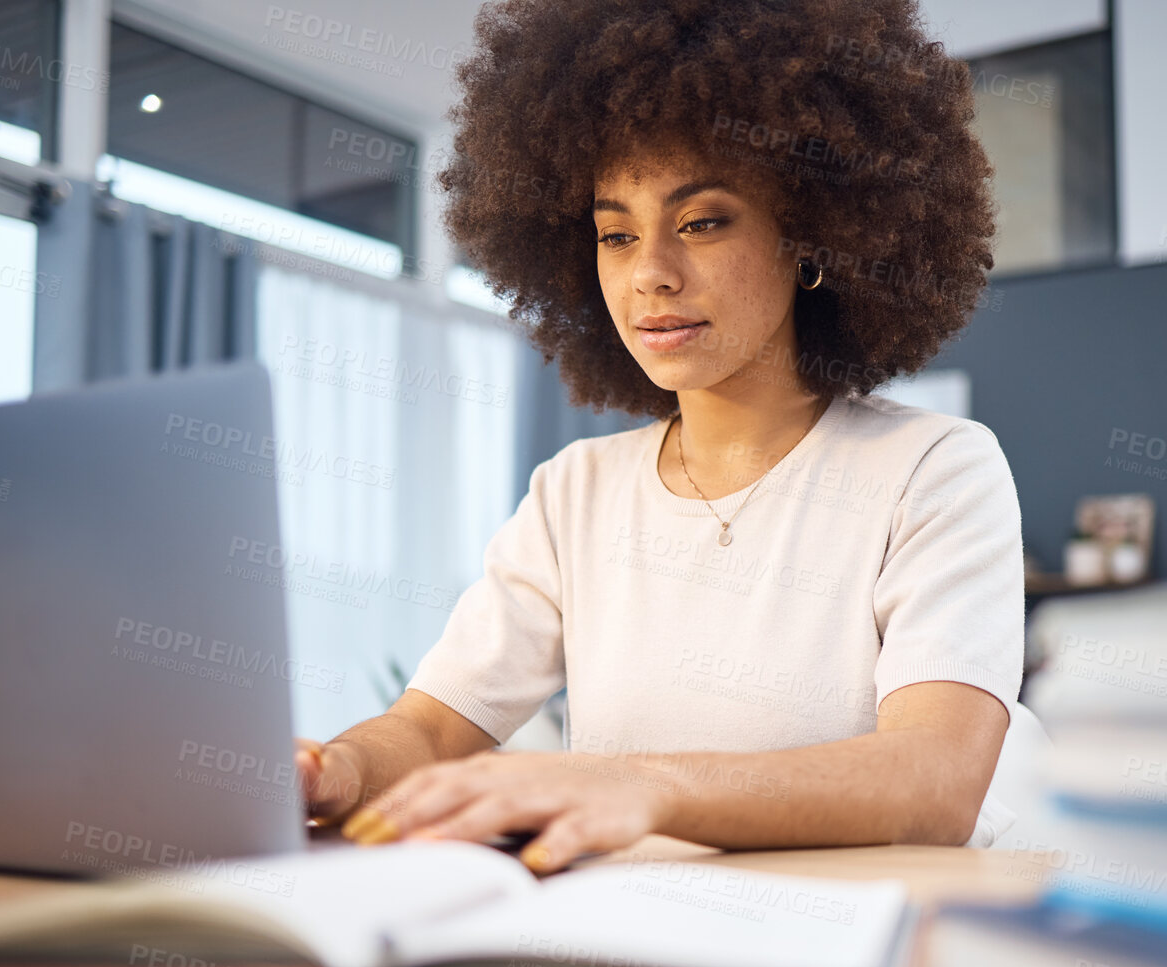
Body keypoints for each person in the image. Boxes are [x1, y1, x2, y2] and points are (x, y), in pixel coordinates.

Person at [295, 0, 1031, 872]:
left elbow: (933, 782)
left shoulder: (934, 469)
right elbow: (427, 725)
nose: (648, 272)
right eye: (614, 234)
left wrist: (642, 786)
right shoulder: (575, 493)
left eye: (702, 221)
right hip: (627, 944)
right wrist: (336, 771)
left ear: (811, 237)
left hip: (862, 949)